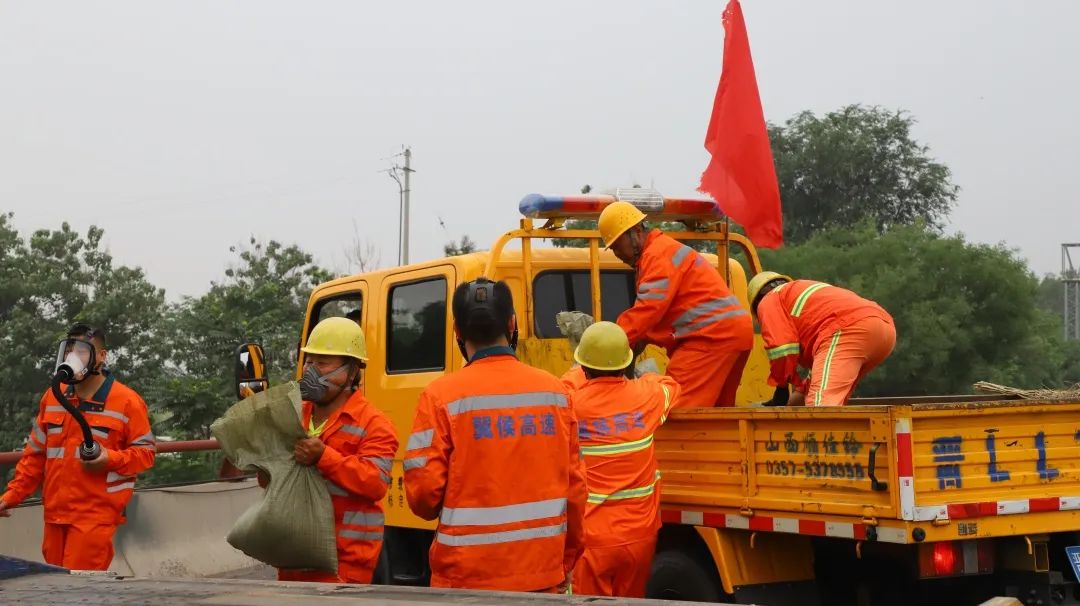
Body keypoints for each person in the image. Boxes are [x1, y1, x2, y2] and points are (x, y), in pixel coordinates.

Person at [404, 278, 587, 592]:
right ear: (512, 323)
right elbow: (576, 489)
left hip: (464, 581)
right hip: (541, 575)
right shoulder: (556, 393)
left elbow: (423, 498)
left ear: (457, 331)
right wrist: (565, 561)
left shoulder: (440, 397)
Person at [0, 323, 155, 570]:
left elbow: (146, 454)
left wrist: (109, 458)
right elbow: (35, 456)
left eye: (82, 351)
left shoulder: (126, 402)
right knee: (54, 590)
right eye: (69, 350)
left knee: (78, 593)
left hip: (94, 517)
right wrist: (11, 496)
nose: (74, 357)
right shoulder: (53, 396)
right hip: (54, 515)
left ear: (102, 356)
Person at [560, 321, 680, 597]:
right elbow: (669, 385)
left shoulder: (571, 404)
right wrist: (640, 377)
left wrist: (577, 374)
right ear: (625, 363)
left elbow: (560, 388)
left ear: (584, 366)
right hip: (640, 538)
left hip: (592, 541)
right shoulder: (645, 396)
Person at [278, 316, 399, 583]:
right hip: (293, 559)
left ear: (353, 371)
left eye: (322, 363)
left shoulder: (374, 424)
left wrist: (323, 457)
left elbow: (375, 483)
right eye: (309, 361)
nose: (311, 371)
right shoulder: (294, 414)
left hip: (343, 565)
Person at [598, 201, 753, 408]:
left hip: (710, 338)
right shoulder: (663, 251)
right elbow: (656, 315)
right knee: (719, 415)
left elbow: (647, 311)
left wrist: (608, 343)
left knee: (675, 409)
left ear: (635, 231)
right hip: (733, 333)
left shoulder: (656, 255)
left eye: (618, 246)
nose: (618, 254)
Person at [747, 272, 897, 407]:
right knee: (827, 394)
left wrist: (781, 386)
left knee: (821, 407)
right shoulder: (798, 291)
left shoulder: (769, 300)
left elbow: (782, 348)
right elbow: (811, 387)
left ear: (756, 302)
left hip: (848, 328)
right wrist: (788, 406)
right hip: (883, 328)